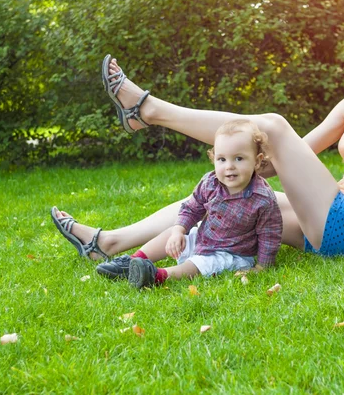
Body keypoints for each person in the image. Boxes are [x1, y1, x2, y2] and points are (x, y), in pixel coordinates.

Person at [51, 13, 344, 265]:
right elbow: (283, 157)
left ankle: (148, 110)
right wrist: (244, 165)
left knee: (270, 122)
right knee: (219, 193)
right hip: (321, 221)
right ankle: (107, 243)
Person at [90, 119, 282, 289]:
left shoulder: (262, 198)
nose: (229, 166)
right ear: (213, 158)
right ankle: (133, 261)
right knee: (173, 233)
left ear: (257, 161)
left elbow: (269, 234)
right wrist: (178, 231)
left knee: (200, 265)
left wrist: (262, 267)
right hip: (203, 238)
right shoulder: (210, 182)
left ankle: (158, 275)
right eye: (222, 159)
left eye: (239, 158)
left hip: (232, 254)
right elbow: (192, 208)